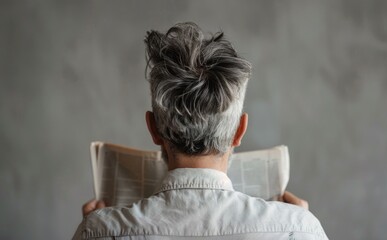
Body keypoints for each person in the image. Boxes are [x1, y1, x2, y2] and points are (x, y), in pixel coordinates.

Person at [73, 22, 328, 240]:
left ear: (153, 128)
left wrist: (96, 229)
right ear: (239, 130)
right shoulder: (298, 229)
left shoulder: (99, 230)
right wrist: (300, 224)